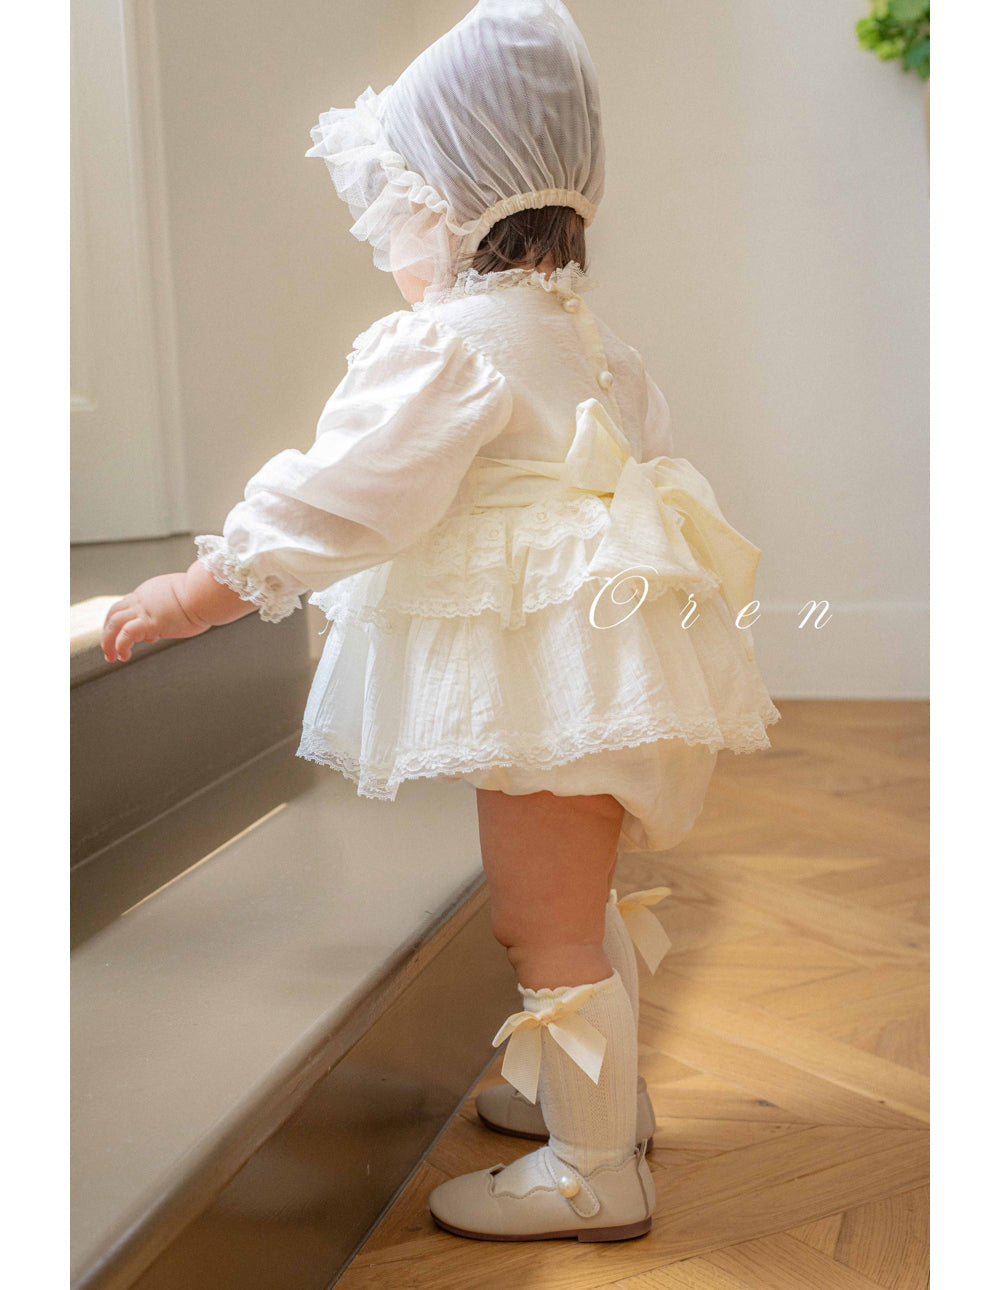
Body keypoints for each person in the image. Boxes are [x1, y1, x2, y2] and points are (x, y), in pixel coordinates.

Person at [101, 0, 780, 1243]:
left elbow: (343, 495)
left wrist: (199, 590)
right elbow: (641, 463)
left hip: (550, 668)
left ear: (451, 207)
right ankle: (595, 1105)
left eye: (395, 216)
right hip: (609, 650)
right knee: (576, 897)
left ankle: (594, 1172)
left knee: (542, 920)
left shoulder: (449, 347)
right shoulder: (587, 339)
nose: (388, 246)